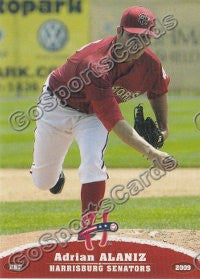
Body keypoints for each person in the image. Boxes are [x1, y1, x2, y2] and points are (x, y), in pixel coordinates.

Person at [31, 6, 175, 238]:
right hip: (57, 106)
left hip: (92, 116)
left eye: (145, 37)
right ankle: (54, 176)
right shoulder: (95, 65)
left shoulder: (150, 64)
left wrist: (164, 129)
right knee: (42, 181)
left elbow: (158, 90)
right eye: (132, 35)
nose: (137, 43)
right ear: (119, 32)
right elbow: (115, 122)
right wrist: (152, 153)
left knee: (93, 163)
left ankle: (87, 226)